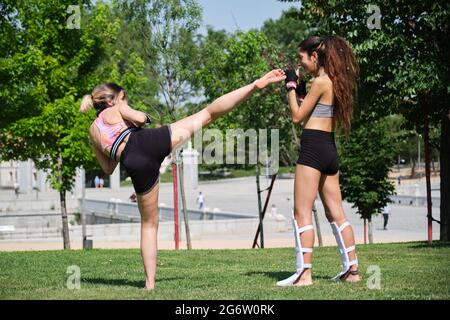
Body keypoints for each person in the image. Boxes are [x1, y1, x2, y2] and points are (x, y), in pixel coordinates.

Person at [80, 70, 285, 289]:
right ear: (116, 97)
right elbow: (140, 118)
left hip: (133, 163)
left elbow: (109, 168)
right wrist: (145, 119)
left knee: (149, 225)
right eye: (125, 98)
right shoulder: (118, 107)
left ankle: (149, 283)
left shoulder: (93, 131)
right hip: (148, 142)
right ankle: (255, 85)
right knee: (207, 114)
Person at [273, 36, 361, 286]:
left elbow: (297, 116)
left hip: (313, 147)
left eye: (302, 58)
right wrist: (301, 89)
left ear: (314, 56)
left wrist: (290, 86)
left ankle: (304, 274)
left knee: (301, 213)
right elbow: (315, 109)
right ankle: (352, 271)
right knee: (336, 213)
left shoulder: (321, 81)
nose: (301, 62)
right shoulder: (333, 82)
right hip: (329, 148)